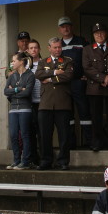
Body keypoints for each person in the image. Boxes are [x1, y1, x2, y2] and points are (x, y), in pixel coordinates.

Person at [34, 37, 74, 170]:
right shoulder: (43, 61)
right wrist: (55, 72)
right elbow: (38, 74)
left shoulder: (67, 61)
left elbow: (68, 75)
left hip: (62, 103)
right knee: (44, 135)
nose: (58, 50)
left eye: (59, 47)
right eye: (55, 47)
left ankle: (63, 161)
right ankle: (46, 160)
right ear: (49, 48)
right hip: (46, 103)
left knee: (64, 135)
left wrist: (50, 79)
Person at [58, 16, 91, 149]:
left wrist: (87, 75)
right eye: (63, 26)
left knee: (84, 111)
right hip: (64, 84)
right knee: (68, 114)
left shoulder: (81, 41)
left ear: (71, 27)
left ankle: (89, 142)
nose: (65, 28)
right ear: (59, 29)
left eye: (67, 26)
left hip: (79, 82)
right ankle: (71, 143)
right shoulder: (58, 44)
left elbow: (89, 59)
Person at [83, 22, 108, 151]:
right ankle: (97, 142)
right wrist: (102, 78)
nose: (99, 35)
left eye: (101, 32)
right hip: (94, 88)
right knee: (96, 117)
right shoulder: (87, 49)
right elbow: (87, 68)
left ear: (106, 34)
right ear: (93, 35)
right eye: (96, 33)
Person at [4, 51, 34, 170]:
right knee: (13, 135)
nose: (12, 63)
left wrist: (13, 92)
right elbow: (6, 91)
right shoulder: (12, 76)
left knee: (25, 135)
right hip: (13, 109)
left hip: (25, 109)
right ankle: (16, 160)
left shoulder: (30, 75)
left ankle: (25, 161)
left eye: (14, 61)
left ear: (21, 62)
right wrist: (18, 89)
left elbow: (27, 93)